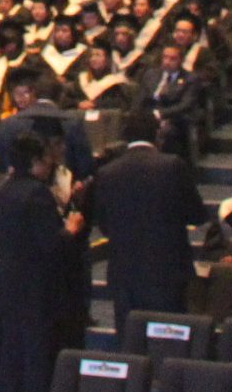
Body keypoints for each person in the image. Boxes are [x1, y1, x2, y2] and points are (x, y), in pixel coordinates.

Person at [82, 110, 205, 338]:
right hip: (167, 272)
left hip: (125, 273)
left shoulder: (106, 173)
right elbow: (197, 215)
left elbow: (103, 224)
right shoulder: (173, 166)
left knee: (130, 342)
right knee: (168, 342)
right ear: (157, 134)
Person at [0, 132, 74, 392]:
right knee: (34, 356)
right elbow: (50, 243)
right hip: (32, 288)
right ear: (35, 161)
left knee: (8, 355)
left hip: (4, 284)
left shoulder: (1, 189)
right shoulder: (37, 193)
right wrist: (70, 230)